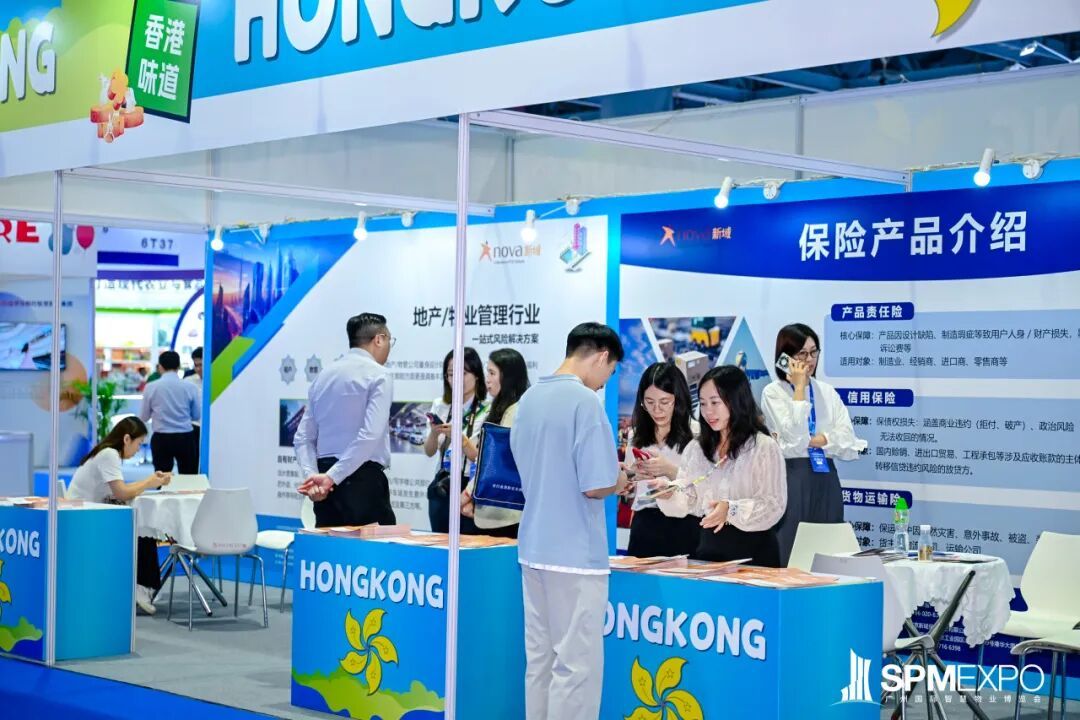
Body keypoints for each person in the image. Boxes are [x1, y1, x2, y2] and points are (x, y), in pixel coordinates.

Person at [510, 322, 629, 720]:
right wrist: (621, 479)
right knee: (576, 666)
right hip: (575, 555)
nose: (605, 382)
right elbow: (596, 485)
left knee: (540, 661)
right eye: (610, 371)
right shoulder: (584, 403)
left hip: (533, 550)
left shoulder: (529, 399)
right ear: (602, 356)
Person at [654, 366, 787, 567]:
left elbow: (773, 505)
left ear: (736, 400)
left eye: (715, 402)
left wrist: (731, 509)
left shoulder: (763, 447)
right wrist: (669, 493)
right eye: (703, 403)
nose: (708, 411)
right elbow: (691, 498)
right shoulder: (696, 448)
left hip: (755, 553)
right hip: (709, 549)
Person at [761, 323, 867, 566]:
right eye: (801, 354)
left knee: (830, 555)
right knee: (791, 553)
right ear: (785, 357)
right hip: (791, 479)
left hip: (826, 477)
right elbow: (795, 440)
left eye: (813, 352)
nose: (809, 360)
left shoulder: (827, 392)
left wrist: (816, 440)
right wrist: (799, 388)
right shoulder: (773, 392)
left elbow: (848, 441)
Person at [295, 313, 397, 527]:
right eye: (389, 340)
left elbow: (303, 438)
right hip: (362, 480)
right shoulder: (380, 374)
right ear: (379, 339)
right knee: (374, 548)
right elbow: (370, 435)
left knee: (329, 547)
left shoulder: (323, 376)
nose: (389, 346)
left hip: (325, 485)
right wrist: (331, 477)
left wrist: (314, 478)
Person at [67, 416, 172, 615]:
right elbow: (122, 493)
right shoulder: (109, 455)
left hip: (86, 512)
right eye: (139, 444)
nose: (138, 449)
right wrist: (149, 483)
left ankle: (144, 585)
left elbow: (120, 488)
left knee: (142, 524)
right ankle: (143, 586)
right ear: (126, 439)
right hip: (84, 518)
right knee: (144, 527)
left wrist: (149, 482)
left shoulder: (106, 452)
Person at [624, 362, 699, 558]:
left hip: (686, 524)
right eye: (649, 402)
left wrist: (670, 470)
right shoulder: (635, 435)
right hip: (644, 525)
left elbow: (707, 487)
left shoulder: (698, 434)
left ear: (678, 399)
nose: (657, 410)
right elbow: (631, 489)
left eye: (664, 402)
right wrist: (632, 475)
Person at [461, 348, 531, 538]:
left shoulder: (515, 412)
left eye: (492, 373)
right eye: (488, 373)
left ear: (508, 377)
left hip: (505, 511)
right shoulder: (501, 407)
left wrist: (467, 494)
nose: (488, 380)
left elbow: (495, 461)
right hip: (495, 509)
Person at [424, 347, 488, 533]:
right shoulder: (440, 405)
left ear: (477, 375)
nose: (456, 379)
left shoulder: (488, 409)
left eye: (463, 373)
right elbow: (429, 451)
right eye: (451, 374)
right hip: (442, 485)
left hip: (468, 487)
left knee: (468, 544)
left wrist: (460, 439)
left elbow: (482, 459)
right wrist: (434, 433)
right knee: (440, 543)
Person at [139, 351, 201, 474]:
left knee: (161, 478)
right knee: (189, 477)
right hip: (185, 437)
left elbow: (144, 417)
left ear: (160, 367)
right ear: (178, 366)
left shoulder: (151, 387)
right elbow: (196, 415)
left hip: (161, 437)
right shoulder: (190, 387)